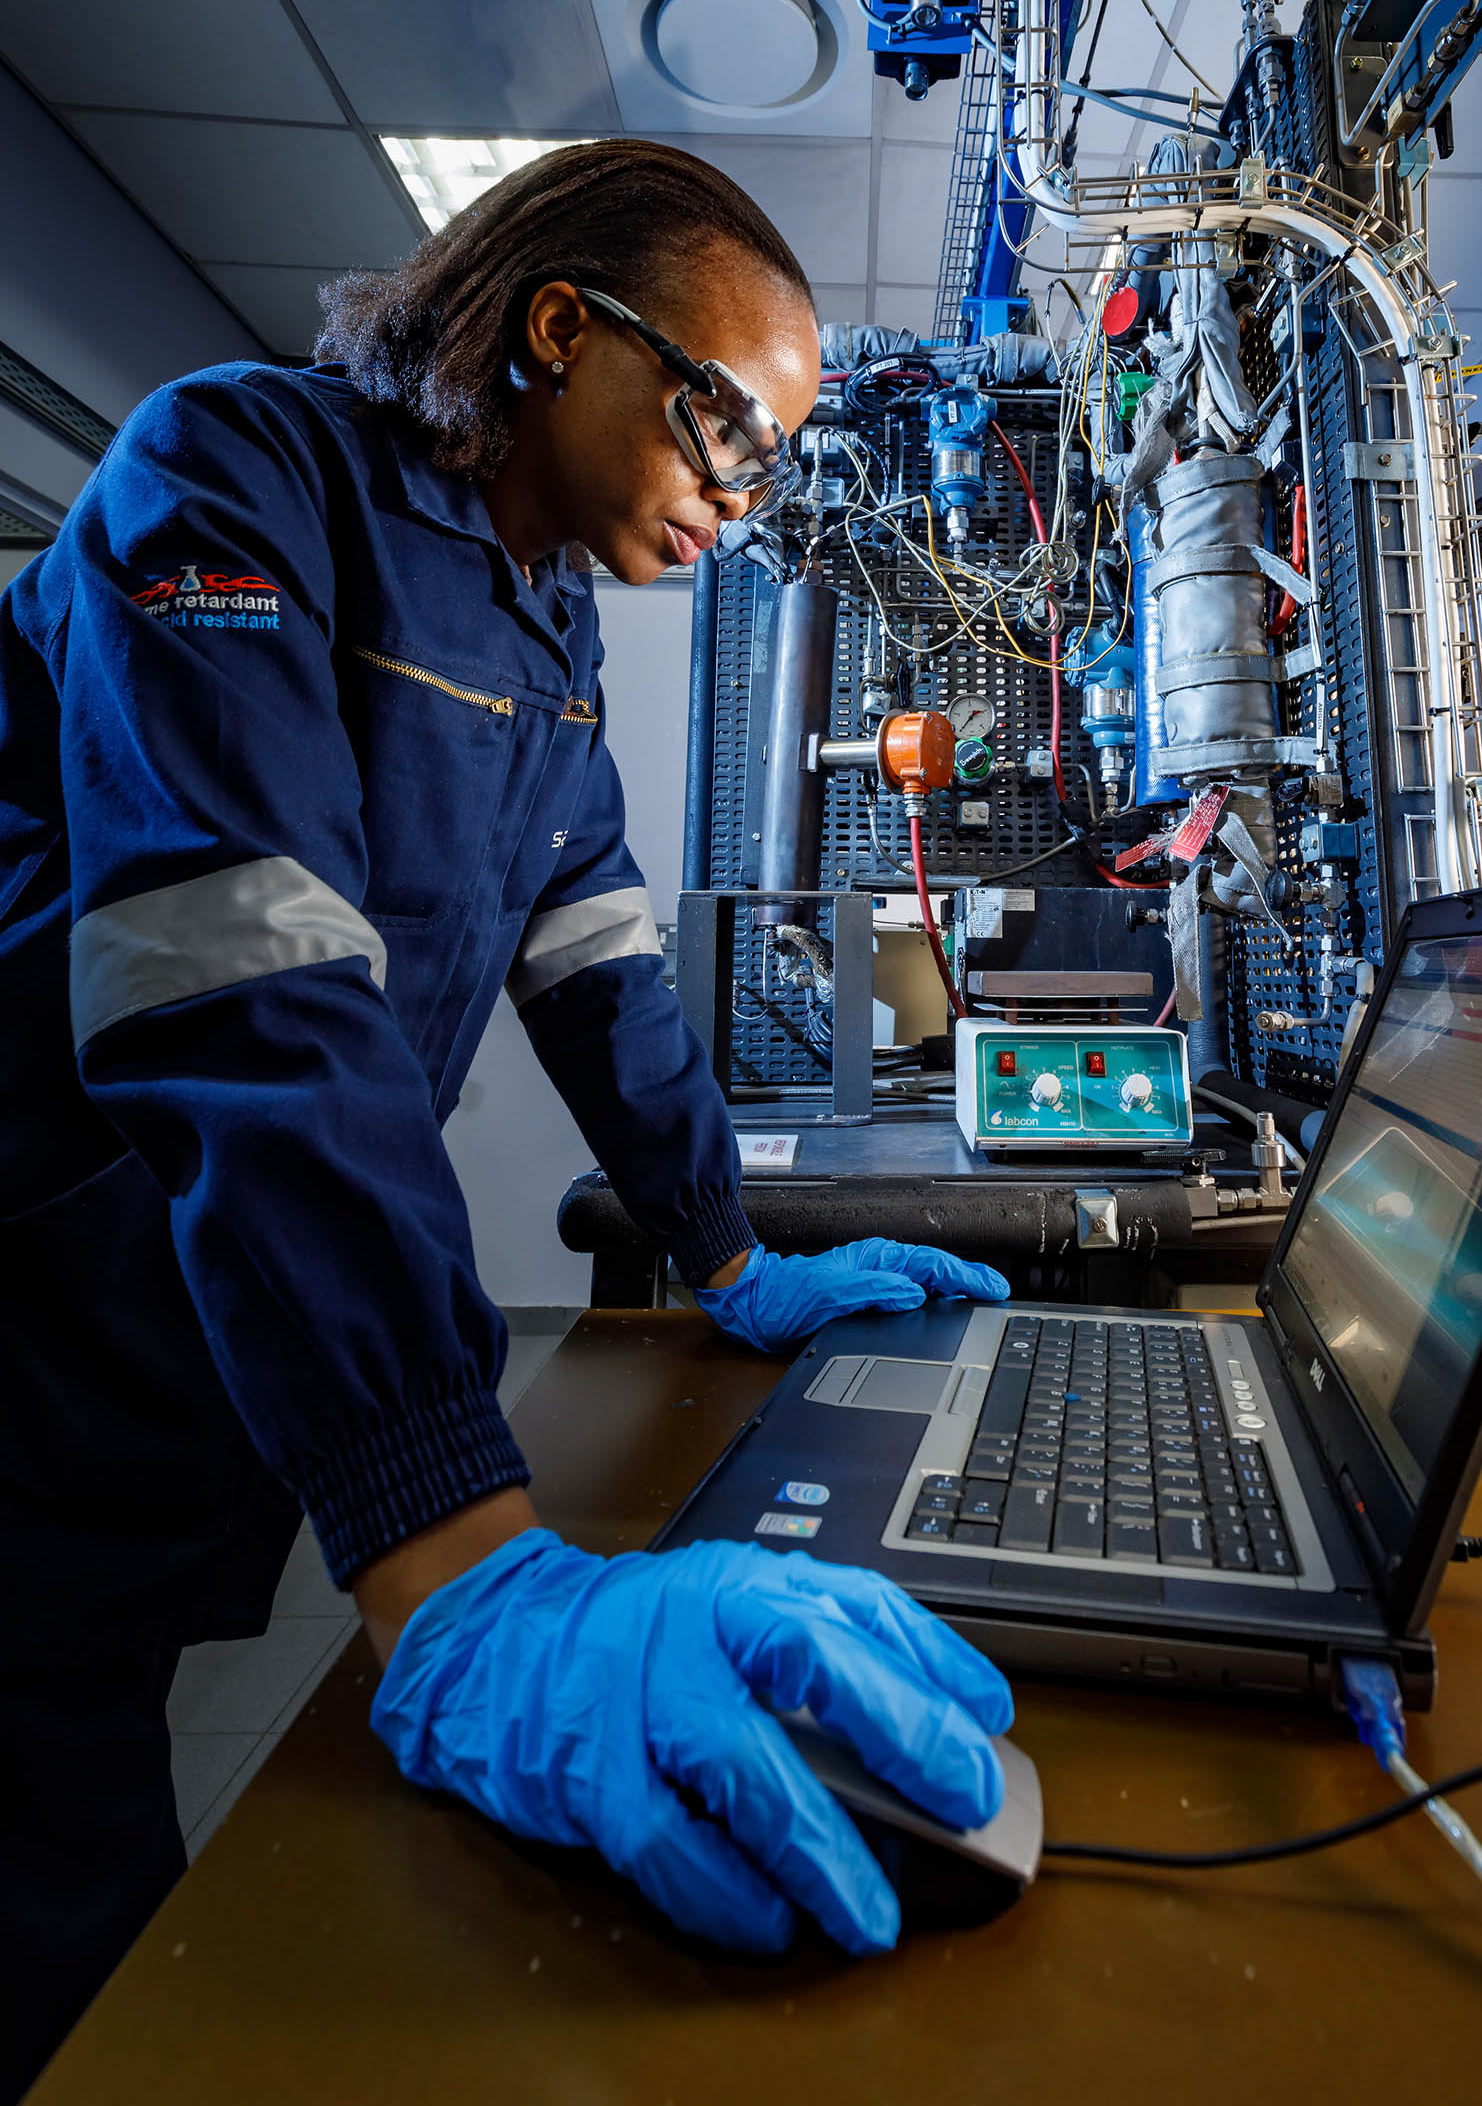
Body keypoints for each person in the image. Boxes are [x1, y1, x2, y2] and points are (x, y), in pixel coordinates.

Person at [0, 140, 1013, 2101]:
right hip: (40, 1313)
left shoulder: (542, 635)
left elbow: (599, 963)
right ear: (565, 330)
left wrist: (728, 1250)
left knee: (105, 1731)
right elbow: (239, 976)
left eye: (769, 461)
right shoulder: (239, 472)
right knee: (90, 1942)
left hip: (208, 1318)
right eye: (722, 425)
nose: (739, 497)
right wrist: (452, 1548)